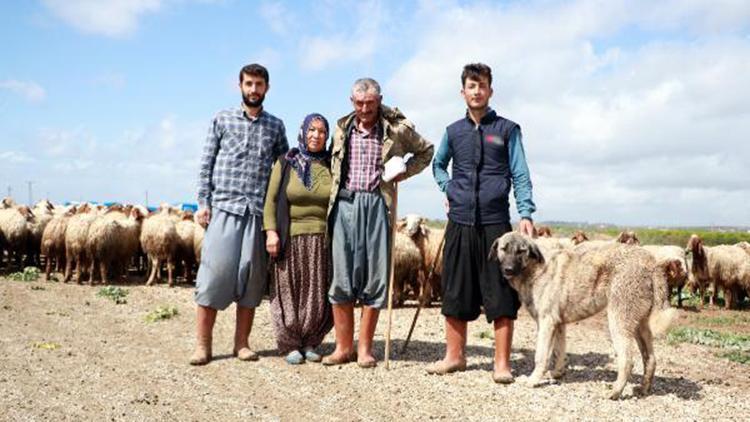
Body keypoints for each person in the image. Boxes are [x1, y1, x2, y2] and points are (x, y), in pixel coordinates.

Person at [428, 63, 536, 383]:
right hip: (460, 221)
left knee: (502, 292)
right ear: (463, 92)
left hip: (496, 225)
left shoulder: (507, 129)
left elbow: (520, 173)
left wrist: (526, 212)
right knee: (455, 290)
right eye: (471, 86)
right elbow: (437, 165)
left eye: (482, 85)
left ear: (490, 90)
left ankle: (501, 364)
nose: (477, 91)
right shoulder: (453, 132)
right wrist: (448, 188)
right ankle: (454, 357)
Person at [323, 78, 434, 368]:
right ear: (351, 102)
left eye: (370, 103)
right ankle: (342, 348)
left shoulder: (396, 130)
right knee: (341, 277)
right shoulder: (341, 129)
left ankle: (364, 350)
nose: (364, 109)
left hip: (376, 204)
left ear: (379, 100)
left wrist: (403, 172)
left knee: (375, 278)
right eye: (359, 103)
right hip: (345, 204)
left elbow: (427, 151)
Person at [190, 63, 289, 365]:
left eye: (259, 84)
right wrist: (202, 202)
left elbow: (283, 169)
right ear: (240, 86)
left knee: (251, 280)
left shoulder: (276, 126)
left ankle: (241, 344)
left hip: (258, 212)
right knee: (213, 275)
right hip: (224, 208)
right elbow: (206, 162)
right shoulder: (221, 119)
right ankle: (202, 346)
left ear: (267, 88)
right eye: (248, 84)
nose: (254, 90)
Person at [263, 113, 334, 365]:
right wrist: (271, 232)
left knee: (316, 292)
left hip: (321, 240)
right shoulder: (286, 162)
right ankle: (290, 342)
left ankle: (311, 341)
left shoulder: (331, 164)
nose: (316, 135)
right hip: (290, 236)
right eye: (312, 130)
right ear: (303, 132)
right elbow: (270, 200)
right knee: (288, 291)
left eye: (322, 131)